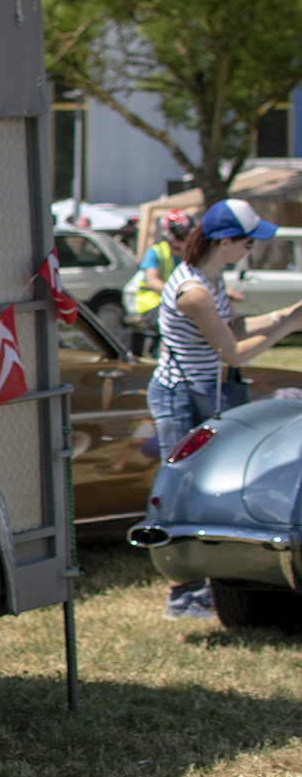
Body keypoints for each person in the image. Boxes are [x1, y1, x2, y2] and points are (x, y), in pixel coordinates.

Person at [149, 199, 302, 617]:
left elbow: (231, 327)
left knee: (204, 485)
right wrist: (287, 326)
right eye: (249, 244)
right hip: (180, 393)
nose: (250, 251)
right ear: (226, 242)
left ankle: (200, 587)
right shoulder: (193, 290)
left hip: (204, 390)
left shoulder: (210, 277)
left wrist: (283, 314)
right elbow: (232, 352)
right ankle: (182, 595)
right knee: (179, 489)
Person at [133, 209, 193, 356]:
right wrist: (179, 293)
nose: (184, 237)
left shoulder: (189, 255)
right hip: (152, 305)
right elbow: (152, 281)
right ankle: (162, 359)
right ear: (169, 232)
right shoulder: (155, 252)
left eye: (187, 233)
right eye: (180, 233)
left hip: (174, 302)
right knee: (182, 322)